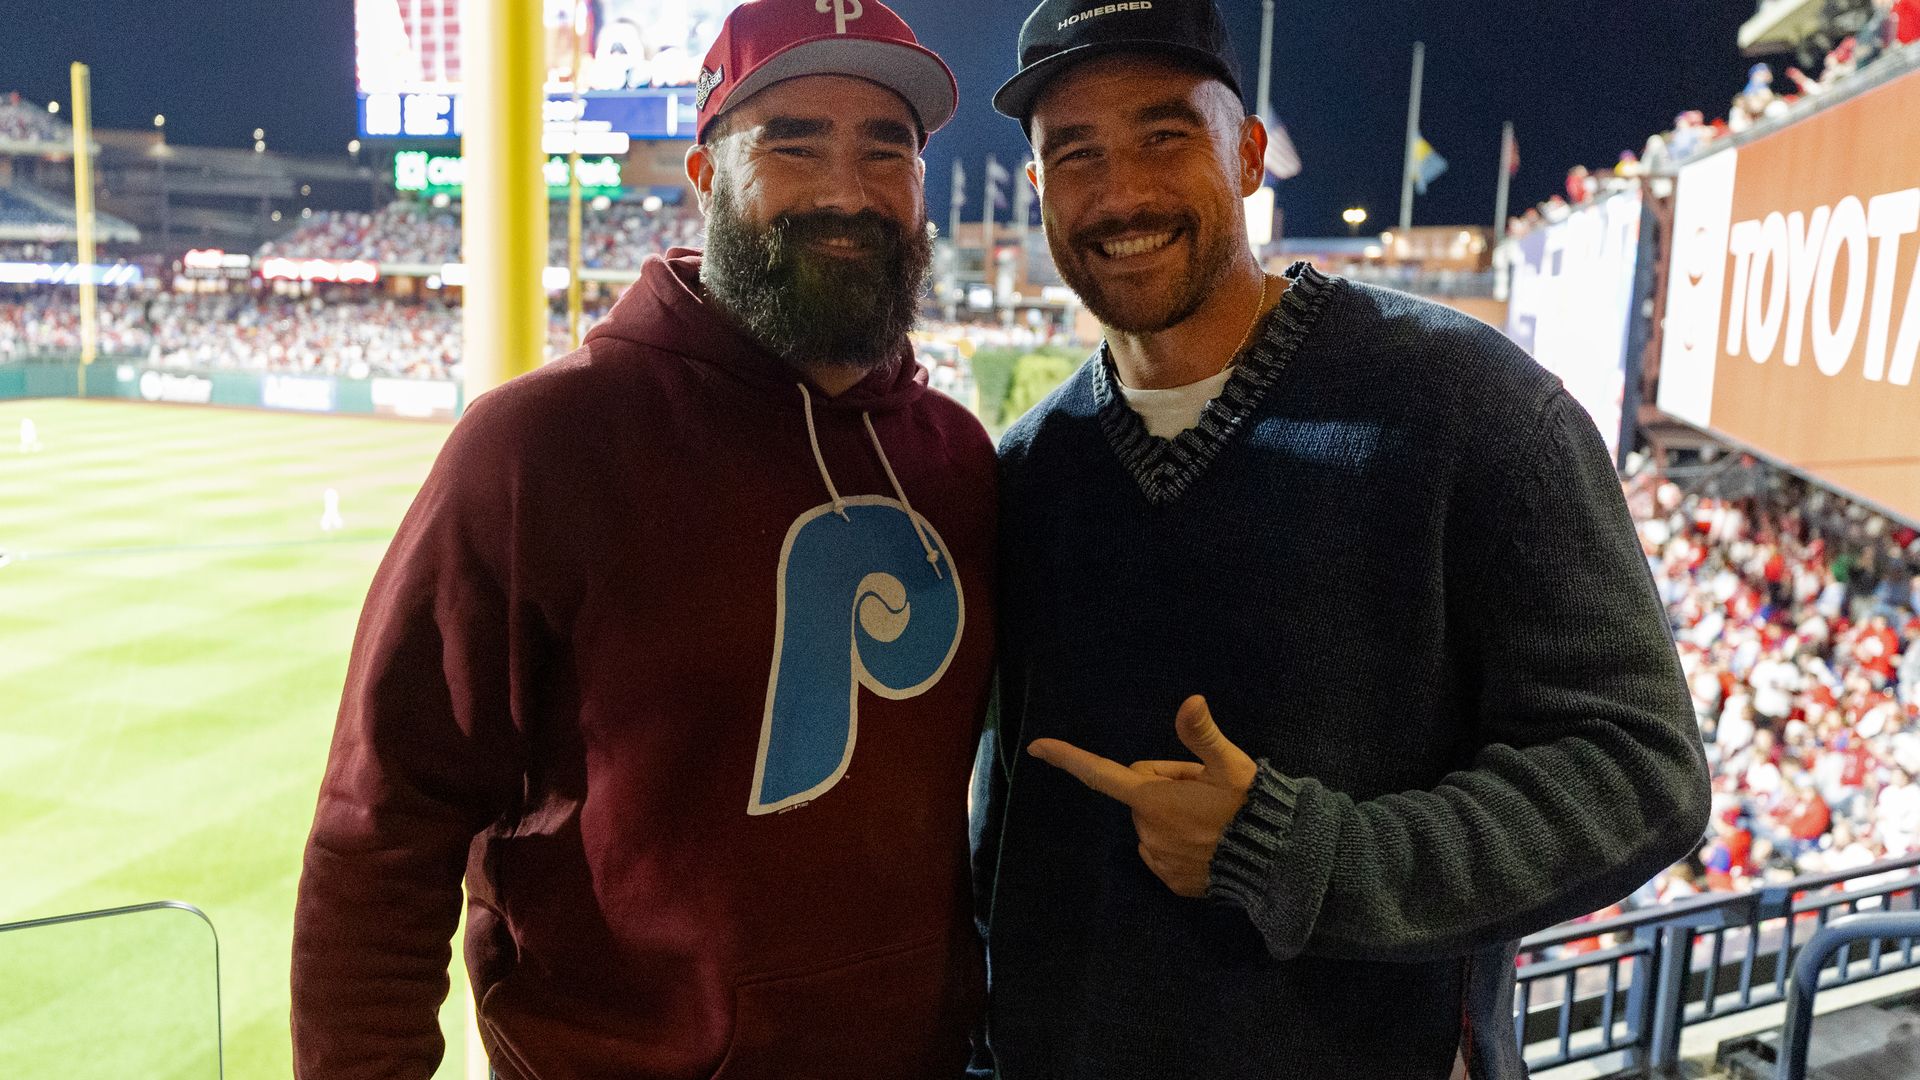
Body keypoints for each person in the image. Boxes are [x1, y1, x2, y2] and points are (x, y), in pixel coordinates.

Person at [970, 2, 1713, 1077]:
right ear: (1038, 190)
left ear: (1251, 155)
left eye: (1164, 136)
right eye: (1075, 153)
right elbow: (1014, 828)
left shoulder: (1476, 408)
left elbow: (1640, 771)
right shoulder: (1028, 468)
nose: (1121, 192)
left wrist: (1296, 855)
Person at [292, 2, 995, 1077]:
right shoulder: (539, 446)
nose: (847, 191)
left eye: (884, 149)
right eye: (793, 144)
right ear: (707, 179)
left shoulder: (957, 459)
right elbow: (379, 831)